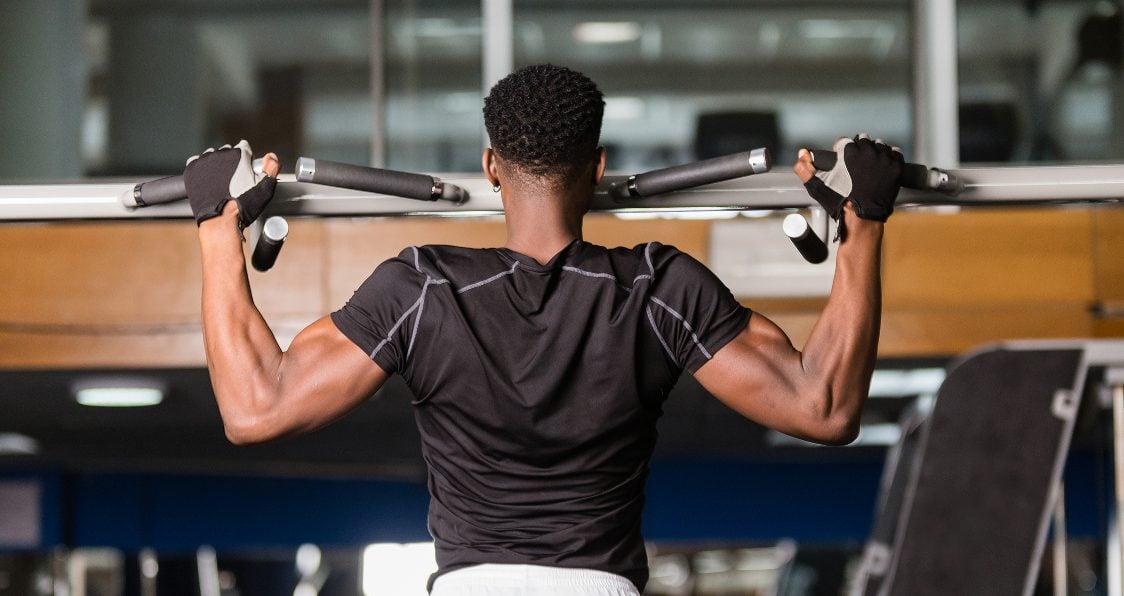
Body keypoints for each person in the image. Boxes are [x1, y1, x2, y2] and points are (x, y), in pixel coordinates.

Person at [186, 64, 902, 595]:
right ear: (597, 168)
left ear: (491, 167)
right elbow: (824, 407)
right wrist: (863, 222)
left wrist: (219, 228)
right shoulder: (657, 287)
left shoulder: (423, 288)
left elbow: (256, 410)